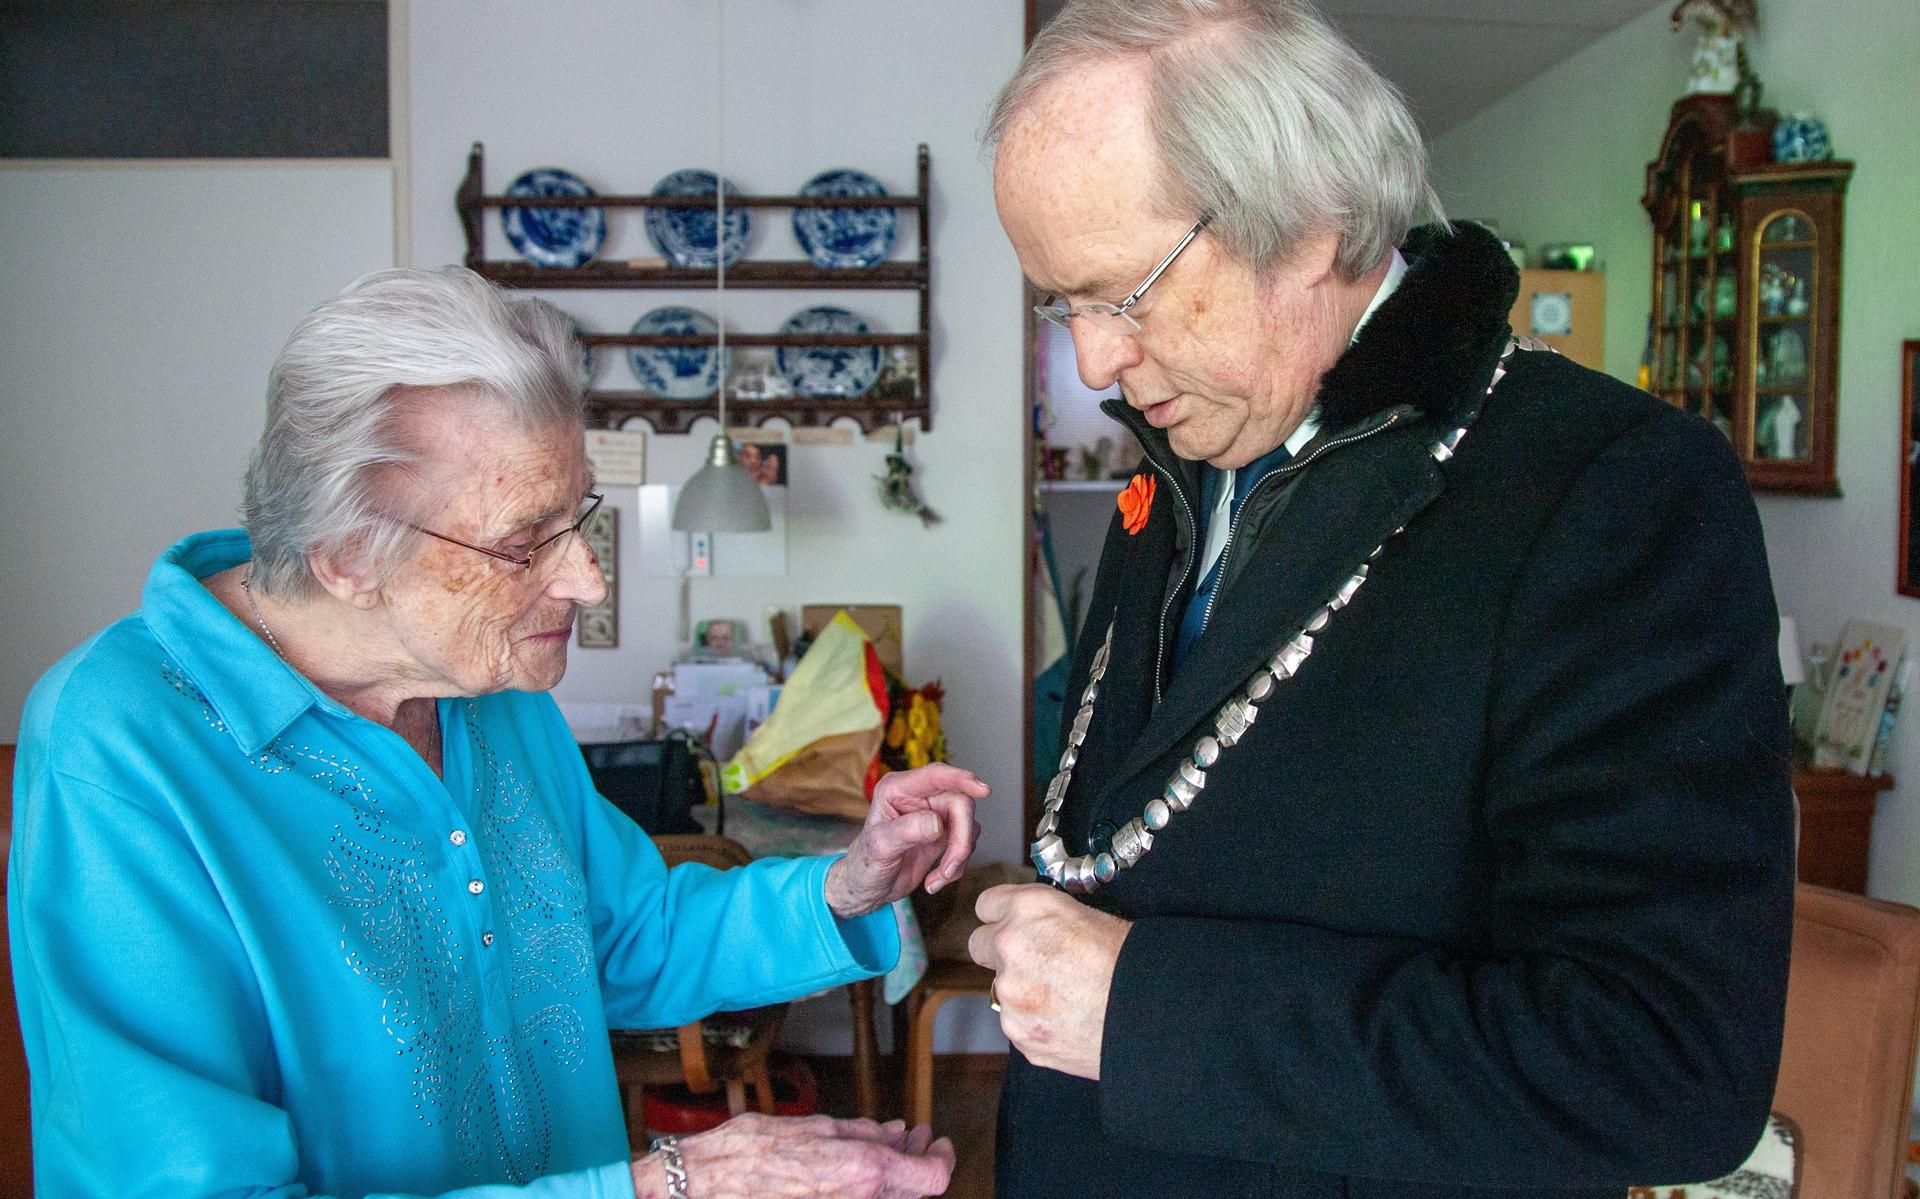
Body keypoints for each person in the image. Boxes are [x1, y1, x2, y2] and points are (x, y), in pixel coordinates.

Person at [969, 3, 1796, 1197]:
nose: (1095, 360)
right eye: (1062, 302)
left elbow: (1664, 1062)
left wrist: (1143, 1010)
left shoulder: (1609, 488)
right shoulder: (1194, 442)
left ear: (1311, 225)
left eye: (1126, 292)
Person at [7, 269, 984, 1198]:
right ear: (348, 556)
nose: (587, 580)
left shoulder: (488, 686)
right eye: (523, 543)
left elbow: (624, 934)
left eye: (577, 518)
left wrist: (846, 884)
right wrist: (672, 1181)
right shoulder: (121, 748)